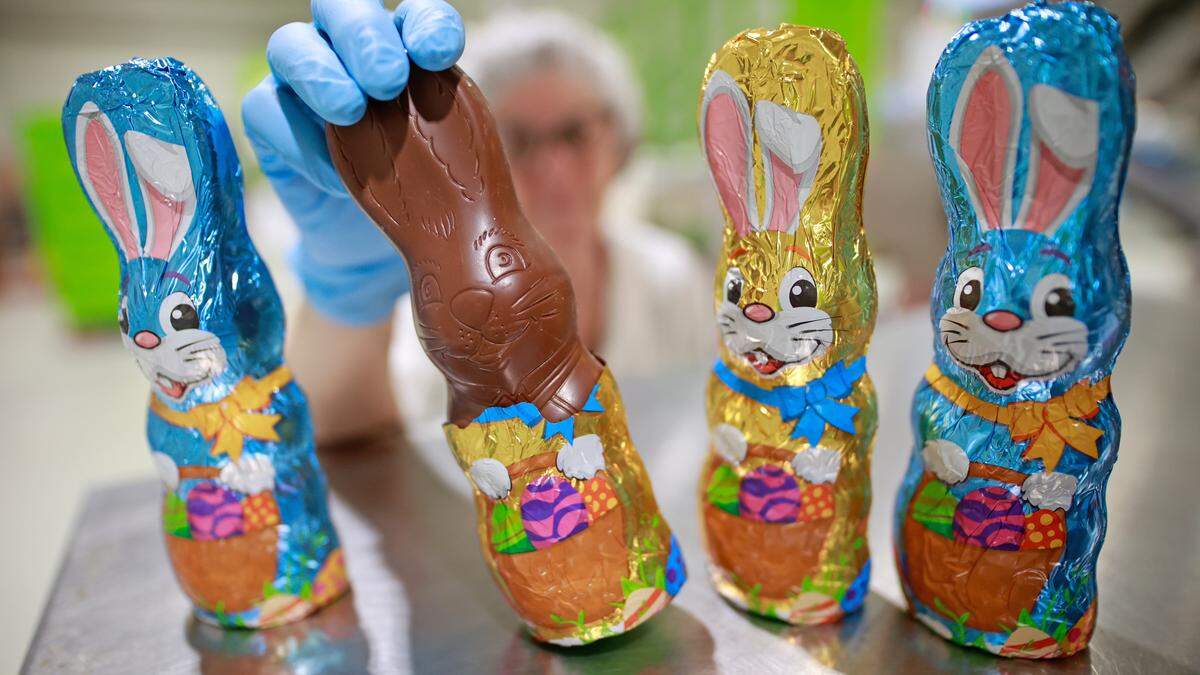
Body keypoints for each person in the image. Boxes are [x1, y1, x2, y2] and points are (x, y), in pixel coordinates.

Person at [243, 1, 710, 442]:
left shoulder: (667, 276)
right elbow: (345, 438)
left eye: (574, 134)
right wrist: (349, 292)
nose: (555, 170)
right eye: (518, 140)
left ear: (618, 138)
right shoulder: (448, 310)